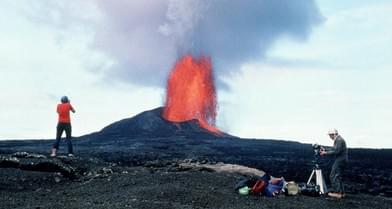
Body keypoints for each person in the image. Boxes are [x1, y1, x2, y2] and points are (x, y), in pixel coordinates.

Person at [320, 129, 348, 199]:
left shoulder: (339, 140)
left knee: (333, 175)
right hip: (342, 160)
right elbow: (334, 148)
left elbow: (336, 151)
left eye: (330, 135)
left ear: (334, 134)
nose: (330, 137)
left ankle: (337, 193)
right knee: (338, 176)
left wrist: (325, 153)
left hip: (340, 160)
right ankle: (342, 192)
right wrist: (325, 149)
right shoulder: (339, 139)